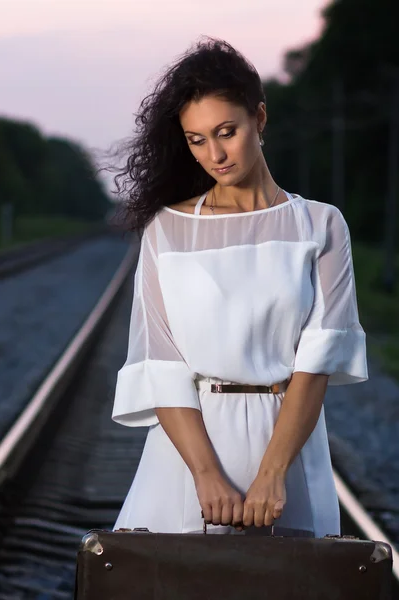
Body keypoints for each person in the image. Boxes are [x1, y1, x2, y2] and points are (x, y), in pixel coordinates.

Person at [108, 37, 368, 537]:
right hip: (187, 456)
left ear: (260, 118)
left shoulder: (321, 225)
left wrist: (273, 475)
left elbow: (315, 364)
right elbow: (162, 363)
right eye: (196, 139)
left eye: (226, 132)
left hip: (287, 453)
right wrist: (206, 476)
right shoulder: (167, 229)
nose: (215, 154)